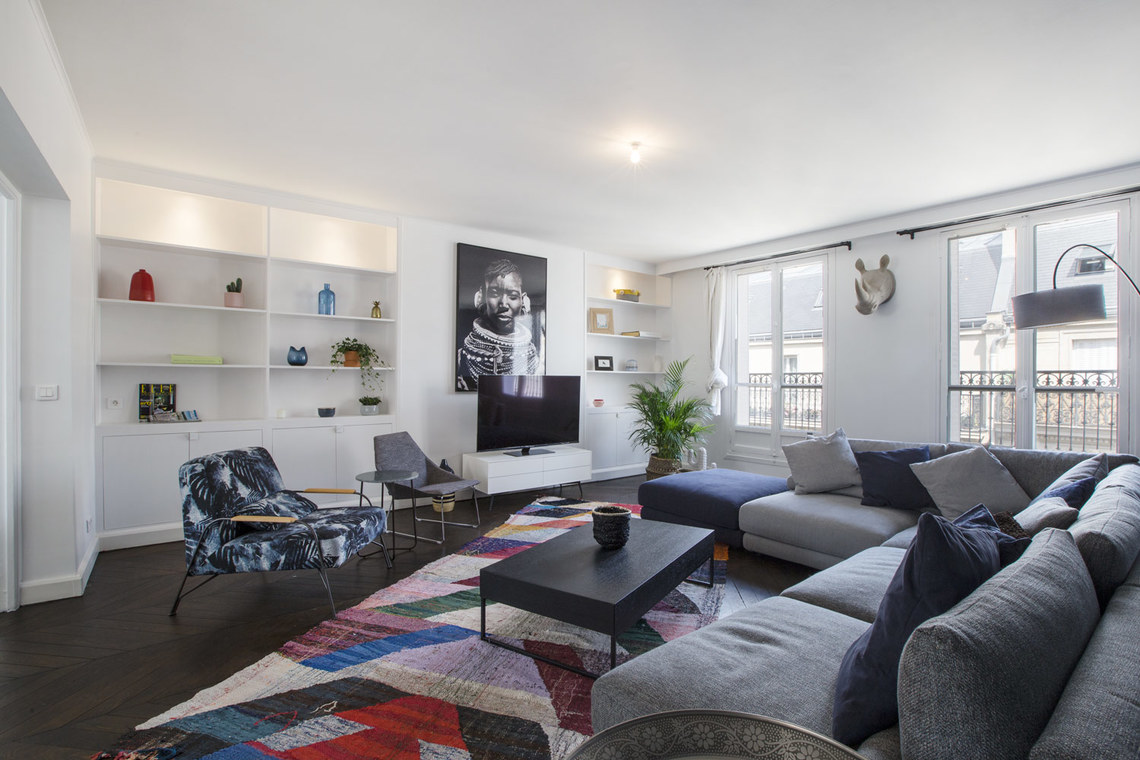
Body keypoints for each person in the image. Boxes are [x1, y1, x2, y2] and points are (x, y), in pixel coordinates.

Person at [457, 258, 540, 390]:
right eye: (494, 294)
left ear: (523, 301)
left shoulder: (537, 364)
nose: (503, 304)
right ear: (481, 297)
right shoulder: (461, 358)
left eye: (513, 296)